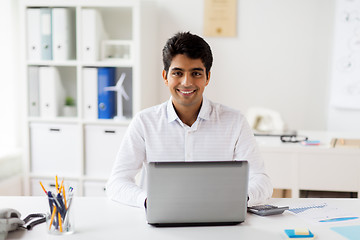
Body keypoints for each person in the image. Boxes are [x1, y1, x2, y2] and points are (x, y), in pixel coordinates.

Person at [106, 32, 273, 208]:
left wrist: (238, 200)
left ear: (208, 77)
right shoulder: (144, 122)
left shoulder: (235, 122)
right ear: (165, 76)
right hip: (161, 224)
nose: (186, 82)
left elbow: (261, 180)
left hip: (219, 220)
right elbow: (117, 183)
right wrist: (148, 201)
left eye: (196, 73)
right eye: (178, 73)